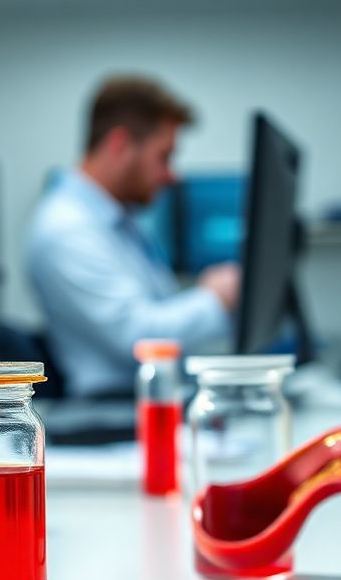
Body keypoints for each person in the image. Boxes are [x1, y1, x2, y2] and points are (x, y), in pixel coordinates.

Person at [26, 74, 241, 398]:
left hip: (144, 401)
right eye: (164, 156)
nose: (171, 176)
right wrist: (216, 298)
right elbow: (140, 340)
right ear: (120, 145)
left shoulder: (117, 221)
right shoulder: (66, 229)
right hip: (112, 415)